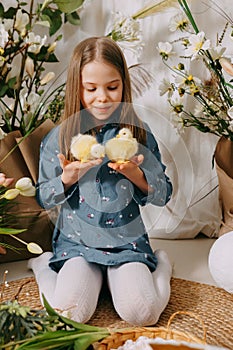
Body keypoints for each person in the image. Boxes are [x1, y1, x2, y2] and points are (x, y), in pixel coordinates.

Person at [28, 36, 173, 326]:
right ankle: (43, 264)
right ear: (76, 88)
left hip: (127, 243)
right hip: (76, 246)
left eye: (112, 87)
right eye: (91, 89)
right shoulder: (58, 139)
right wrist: (66, 179)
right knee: (69, 314)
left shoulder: (138, 135)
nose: (102, 97)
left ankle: (163, 264)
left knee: (142, 314)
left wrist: (137, 175)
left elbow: (163, 193)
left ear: (124, 84)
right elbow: (43, 198)